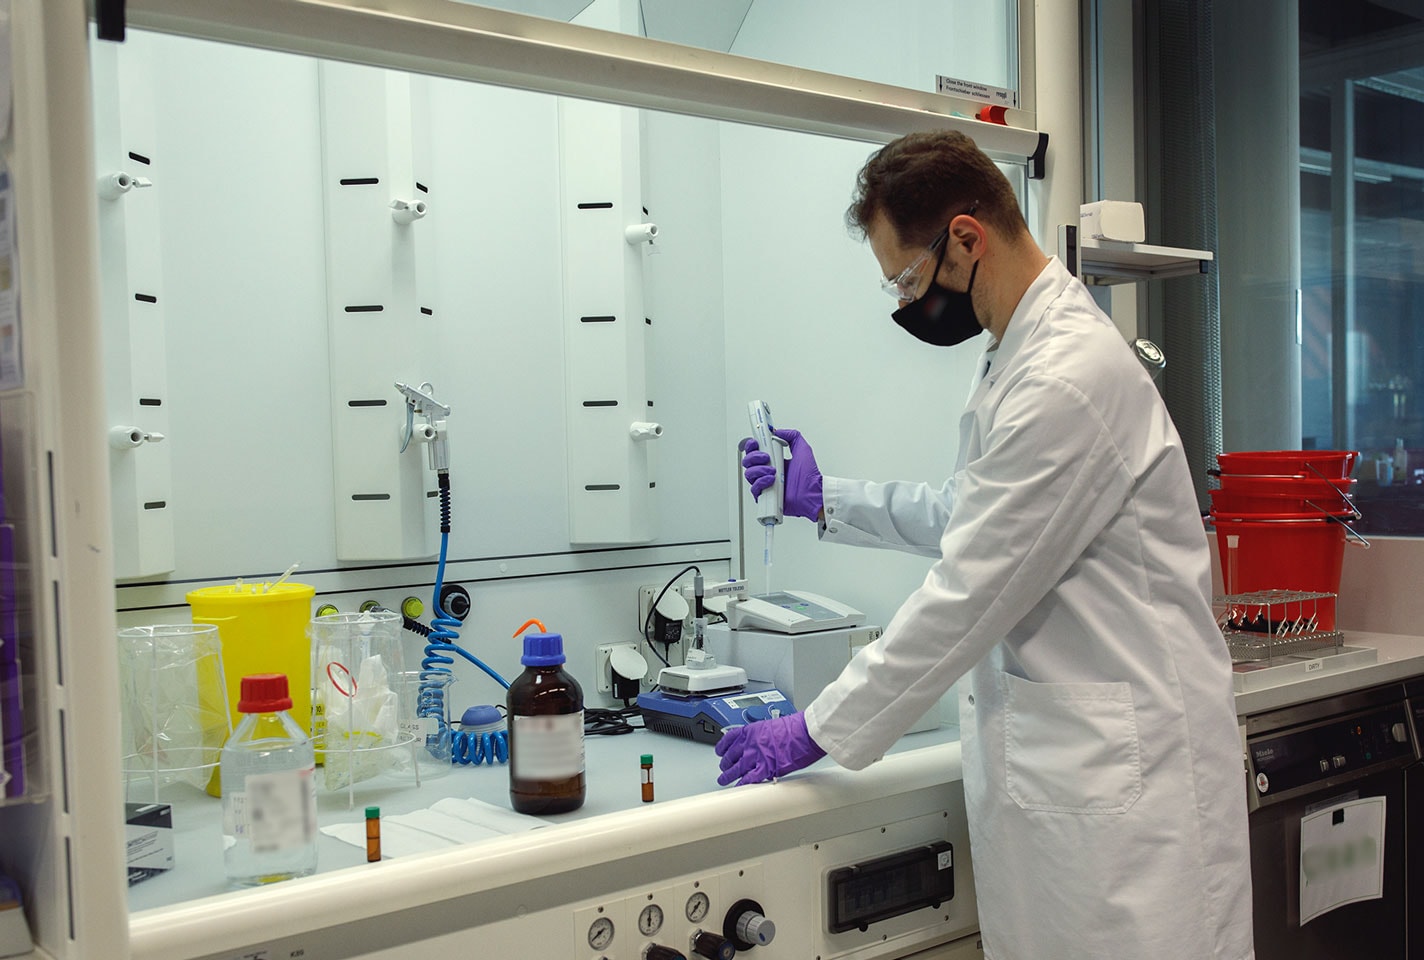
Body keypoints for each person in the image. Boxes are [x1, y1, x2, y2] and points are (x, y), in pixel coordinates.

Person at [715, 130, 1255, 960]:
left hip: (1133, 816)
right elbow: (977, 516)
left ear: (965, 238)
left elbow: (968, 590)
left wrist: (817, 729)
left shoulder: (1066, 376)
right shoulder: (1018, 355)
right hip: (1077, 783)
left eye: (905, 277)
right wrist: (824, 500)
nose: (904, 304)